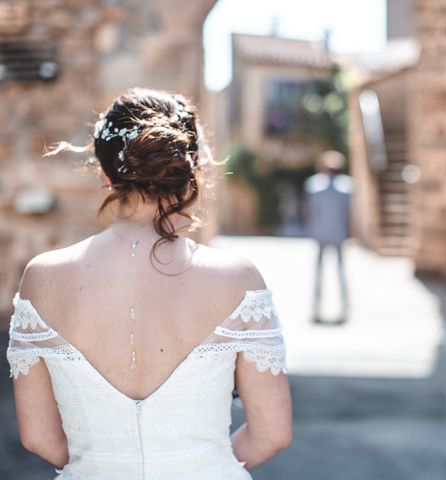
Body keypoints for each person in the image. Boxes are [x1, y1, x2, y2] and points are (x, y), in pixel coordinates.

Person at [5, 88, 292, 479]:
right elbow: (271, 434)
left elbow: (38, 437)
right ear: (192, 169)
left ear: (105, 171)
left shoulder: (43, 276)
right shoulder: (238, 279)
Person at [303, 150, 354, 324]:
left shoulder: (314, 186)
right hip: (336, 234)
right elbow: (348, 214)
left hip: (322, 234)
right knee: (337, 272)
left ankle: (319, 307)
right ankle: (343, 307)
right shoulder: (346, 187)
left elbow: (311, 213)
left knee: (323, 272)